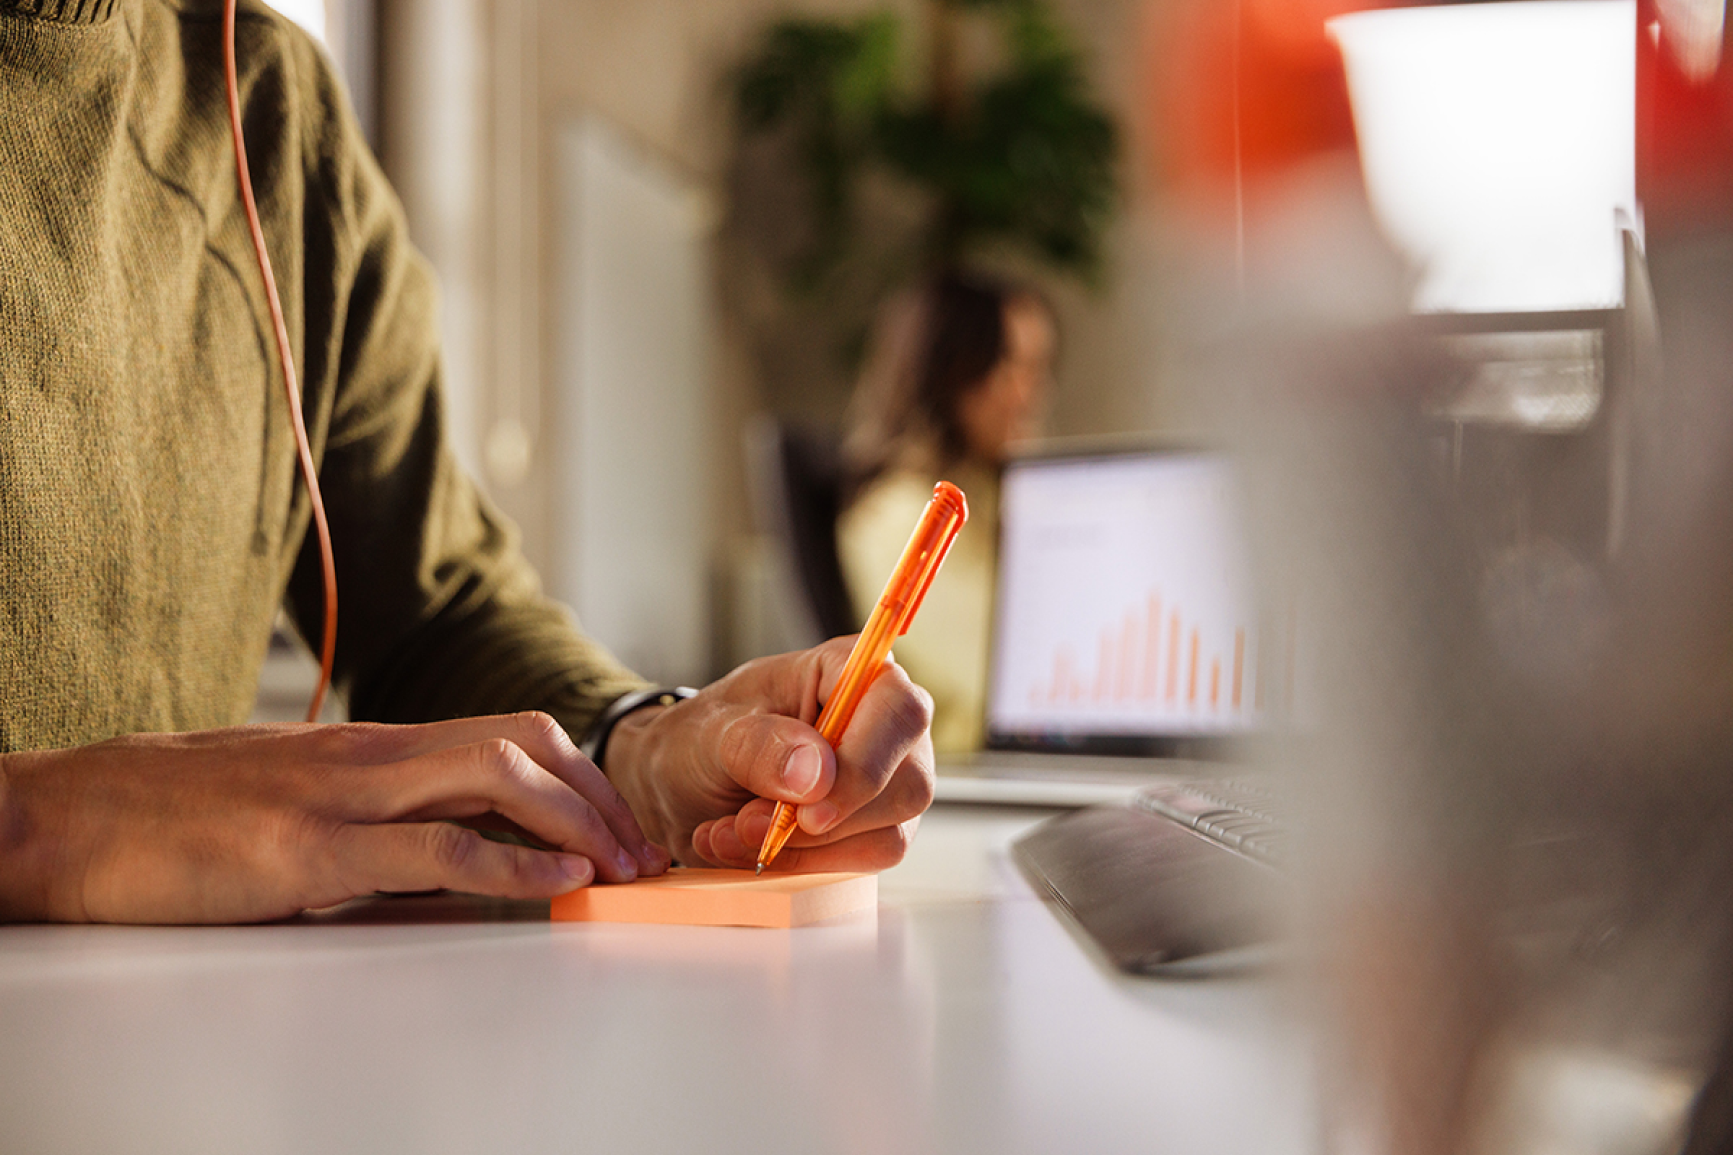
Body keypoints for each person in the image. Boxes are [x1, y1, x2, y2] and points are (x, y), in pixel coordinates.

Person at [0, 0, 932, 925]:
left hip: (173, 1040)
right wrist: (36, 824)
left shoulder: (267, 108)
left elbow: (434, 616)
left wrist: (638, 750)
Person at [837, 271, 1057, 753]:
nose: (1027, 395)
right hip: (963, 781)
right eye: (1005, 366)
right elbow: (999, 690)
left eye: (1037, 370)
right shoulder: (898, 518)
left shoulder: (999, 499)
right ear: (947, 369)